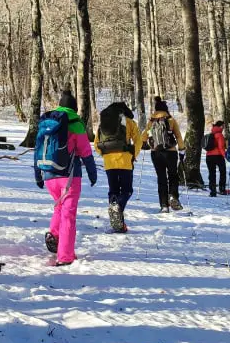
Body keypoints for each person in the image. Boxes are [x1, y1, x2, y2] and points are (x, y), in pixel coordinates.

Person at [34, 91, 97, 266]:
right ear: (74, 107)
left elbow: (37, 147)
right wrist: (92, 173)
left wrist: (37, 174)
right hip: (69, 176)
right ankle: (65, 256)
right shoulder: (76, 123)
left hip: (48, 174)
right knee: (68, 215)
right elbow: (85, 152)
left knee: (59, 207)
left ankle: (54, 235)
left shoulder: (49, 121)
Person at [95, 101, 141, 232]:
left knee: (113, 191)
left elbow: (97, 144)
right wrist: (133, 155)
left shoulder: (103, 124)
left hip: (109, 162)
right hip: (125, 161)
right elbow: (138, 141)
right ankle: (118, 208)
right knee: (127, 191)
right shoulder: (129, 122)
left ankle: (118, 224)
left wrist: (105, 154)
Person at [143, 96, 185, 212]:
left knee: (161, 178)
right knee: (173, 175)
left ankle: (164, 206)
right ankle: (173, 196)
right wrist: (182, 150)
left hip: (156, 153)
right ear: (166, 109)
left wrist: (144, 145)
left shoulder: (151, 121)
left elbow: (144, 136)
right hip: (170, 153)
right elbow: (178, 137)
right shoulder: (171, 120)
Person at [205, 120, 227, 197]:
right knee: (223, 172)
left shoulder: (211, 134)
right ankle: (222, 189)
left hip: (209, 156)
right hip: (218, 156)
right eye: (223, 126)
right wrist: (225, 155)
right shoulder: (219, 135)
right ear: (220, 126)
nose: (224, 127)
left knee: (212, 174)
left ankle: (212, 191)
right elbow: (221, 147)